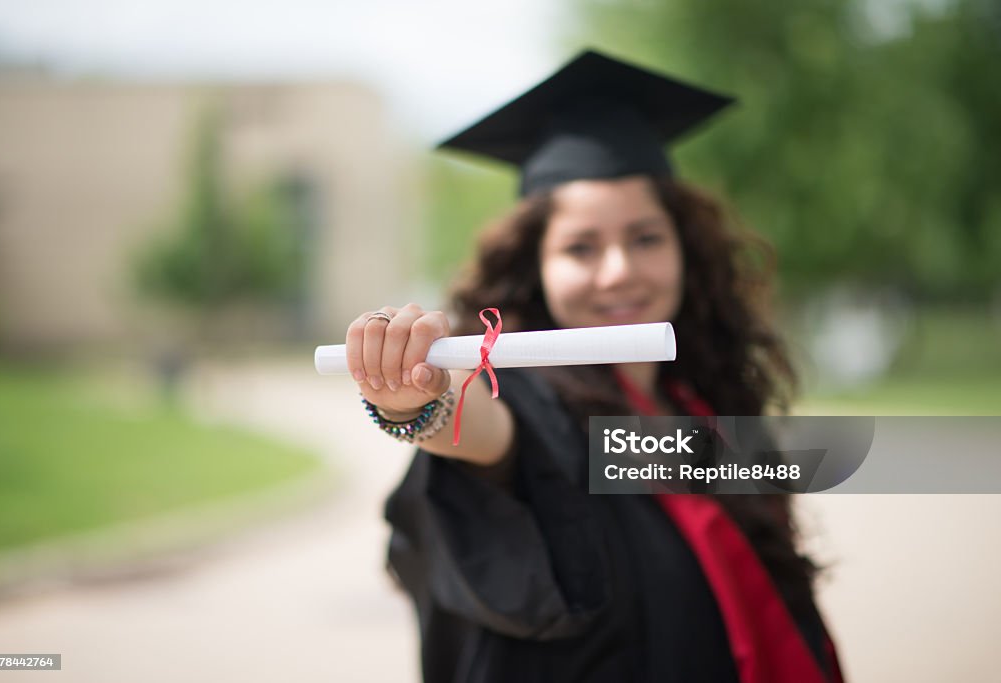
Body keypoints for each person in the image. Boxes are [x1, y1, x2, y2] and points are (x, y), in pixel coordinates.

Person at [345, 50, 845, 682]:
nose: (620, 271)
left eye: (645, 238)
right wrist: (412, 400)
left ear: (685, 249)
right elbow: (480, 430)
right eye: (581, 247)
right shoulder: (534, 404)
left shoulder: (703, 403)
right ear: (537, 267)